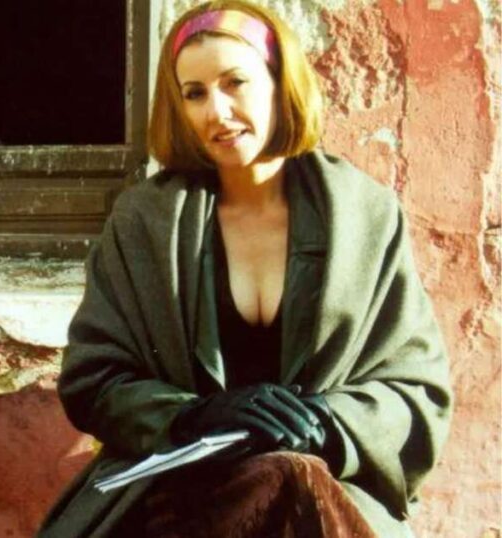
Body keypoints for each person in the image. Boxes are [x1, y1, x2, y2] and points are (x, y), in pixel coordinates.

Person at [38, 1, 452, 536]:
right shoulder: (144, 221)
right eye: (195, 93)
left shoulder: (365, 216)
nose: (217, 111)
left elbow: (415, 391)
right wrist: (190, 415)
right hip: (175, 487)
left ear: (281, 84)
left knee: (292, 476)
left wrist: (327, 423)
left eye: (235, 83)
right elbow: (93, 380)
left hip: (324, 494)